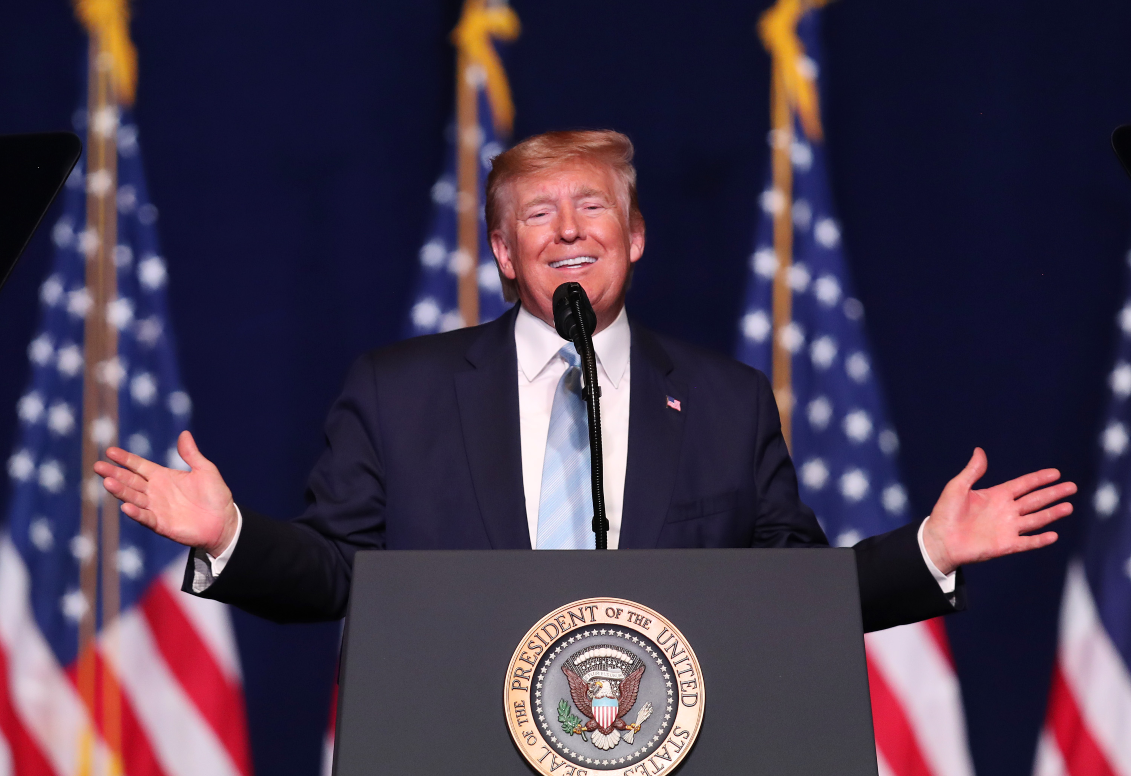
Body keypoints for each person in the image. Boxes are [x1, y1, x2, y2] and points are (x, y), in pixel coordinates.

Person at [94, 130, 1075, 632]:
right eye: (537, 215)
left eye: (591, 206)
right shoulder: (401, 389)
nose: (568, 229)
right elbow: (336, 577)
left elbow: (788, 594)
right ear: (504, 255)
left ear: (635, 236)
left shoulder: (725, 399)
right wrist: (230, 535)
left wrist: (927, 550)